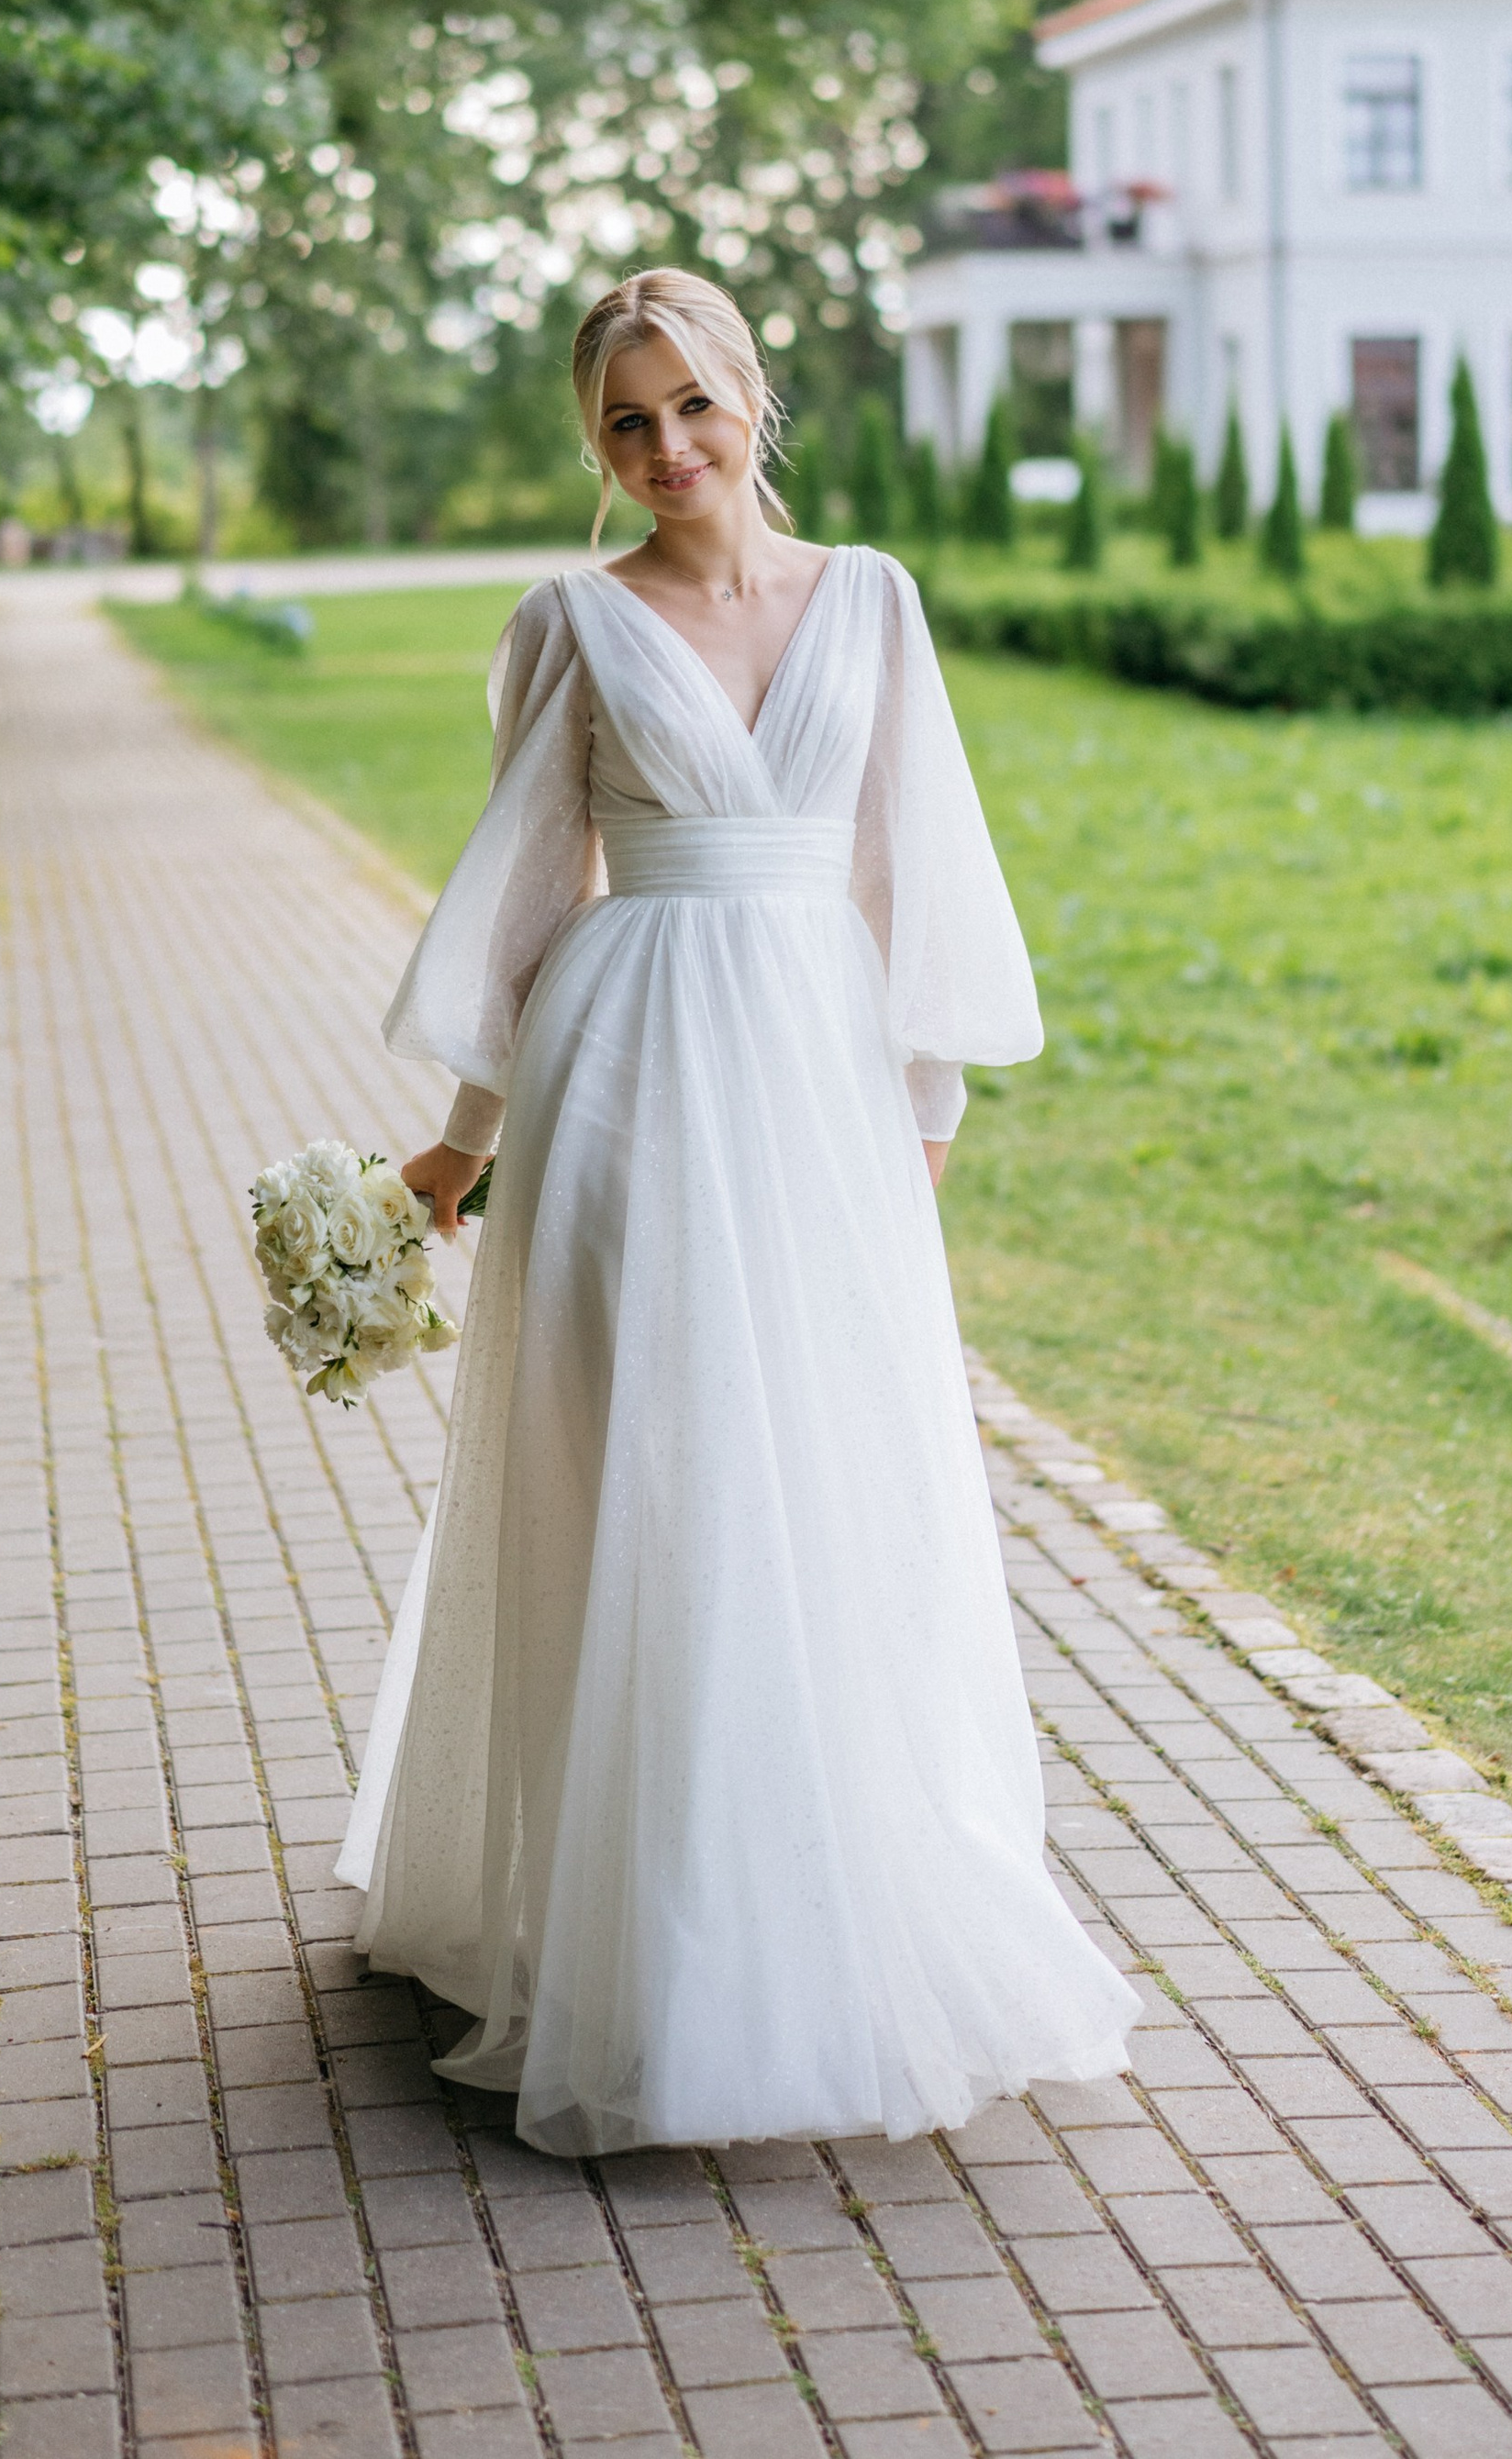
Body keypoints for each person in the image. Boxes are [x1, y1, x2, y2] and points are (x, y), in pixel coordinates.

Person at [334, 267, 1137, 2153]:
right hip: (626, 1081)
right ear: (593, 445)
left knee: (831, 1482)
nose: (668, 447)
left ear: (750, 397)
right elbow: (530, 901)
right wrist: (459, 1143)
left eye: (692, 403)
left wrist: (912, 1121)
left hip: (821, 1101)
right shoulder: (569, 622)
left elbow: (895, 864)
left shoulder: (868, 595)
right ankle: (640, 1940)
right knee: (651, 1482)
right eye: (627, 420)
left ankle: (818, 1897)